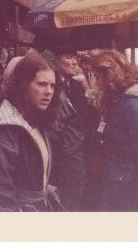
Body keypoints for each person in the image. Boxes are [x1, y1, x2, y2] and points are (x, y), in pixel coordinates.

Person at [86, 49, 138, 211]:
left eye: (96, 77)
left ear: (108, 75)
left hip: (129, 197)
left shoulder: (135, 107)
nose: (94, 83)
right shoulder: (120, 102)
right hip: (117, 191)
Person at [0, 53, 62, 211]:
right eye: (42, 84)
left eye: (52, 85)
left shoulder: (33, 116)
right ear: (23, 86)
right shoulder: (5, 126)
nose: (49, 91)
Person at [47, 50, 97, 212]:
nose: (75, 62)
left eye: (75, 57)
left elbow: (95, 102)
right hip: (63, 160)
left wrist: (85, 83)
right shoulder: (50, 88)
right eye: (69, 57)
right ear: (55, 61)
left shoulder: (76, 84)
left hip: (82, 154)